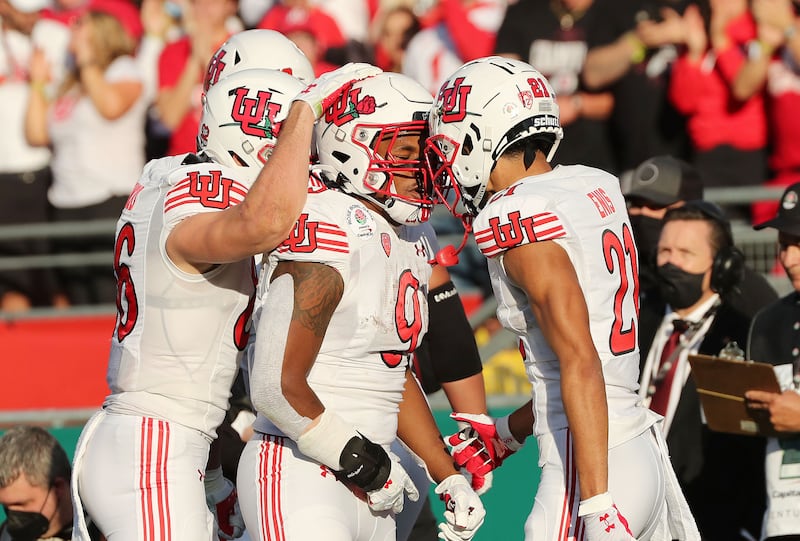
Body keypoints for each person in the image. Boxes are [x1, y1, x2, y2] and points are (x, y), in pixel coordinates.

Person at [68, 62, 381, 541]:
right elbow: (267, 220)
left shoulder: (168, 180)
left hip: (167, 438)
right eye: (292, 139)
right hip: (156, 444)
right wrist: (305, 110)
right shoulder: (195, 198)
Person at [426, 55, 699, 540]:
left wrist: (596, 503)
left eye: (449, 146)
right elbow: (579, 368)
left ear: (480, 138)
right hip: (635, 447)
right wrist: (510, 432)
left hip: (590, 468)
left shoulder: (517, 216)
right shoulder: (591, 185)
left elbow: (579, 360)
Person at [237, 71, 486, 541]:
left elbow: (387, 373)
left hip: (375, 473)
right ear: (352, 145)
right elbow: (273, 385)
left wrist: (445, 473)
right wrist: (364, 463)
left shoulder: (415, 235)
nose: (420, 169)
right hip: (304, 470)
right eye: (405, 152)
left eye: (427, 155)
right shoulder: (328, 221)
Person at [637, 200, 766, 540]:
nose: (670, 262)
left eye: (685, 252)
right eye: (664, 250)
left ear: (720, 267)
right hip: (636, 516)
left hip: (710, 520)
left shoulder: (744, 334)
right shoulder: (632, 326)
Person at [25, 0, 147, 306]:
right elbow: (37, 134)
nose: (72, 31)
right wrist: (38, 82)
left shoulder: (122, 67)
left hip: (108, 201)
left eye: (81, 25)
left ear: (102, 31)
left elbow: (111, 107)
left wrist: (89, 61)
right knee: (79, 298)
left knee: (111, 300)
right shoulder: (71, 83)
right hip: (66, 203)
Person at [624, 154, 778, 317]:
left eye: (656, 206)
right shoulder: (620, 271)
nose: (643, 214)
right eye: (636, 205)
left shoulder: (743, 291)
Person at [746, 181, 800, 540]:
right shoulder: (767, 321)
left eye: (799, 244)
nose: (788, 258)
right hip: (783, 519)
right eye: (783, 244)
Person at [0, 425, 103, 541]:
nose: (13, 517)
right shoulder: (5, 535)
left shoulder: (108, 531)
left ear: (57, 487)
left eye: (21, 504)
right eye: (6, 507)